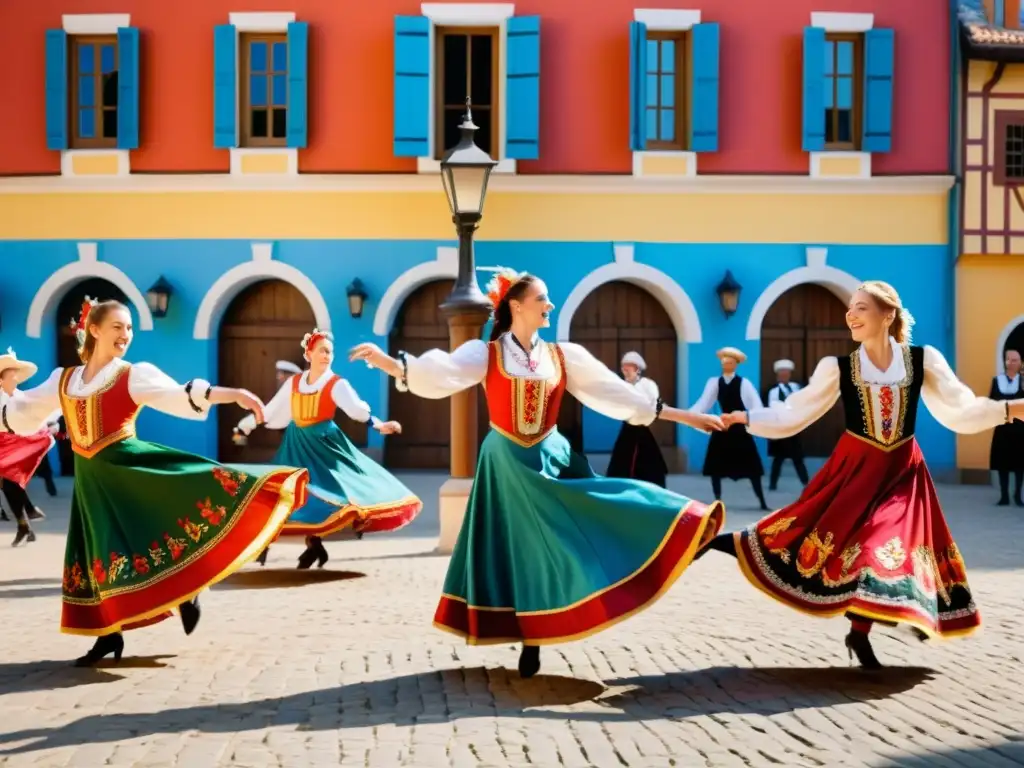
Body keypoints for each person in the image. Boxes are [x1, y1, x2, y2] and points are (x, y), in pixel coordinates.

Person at [350, 268, 726, 679]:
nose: (549, 305)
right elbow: (442, 373)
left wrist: (686, 417)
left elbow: (618, 396)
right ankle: (530, 635)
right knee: (522, 549)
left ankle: (680, 529)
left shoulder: (563, 356)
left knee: (587, 518)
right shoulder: (486, 353)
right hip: (505, 464)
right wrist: (388, 362)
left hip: (551, 458)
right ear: (515, 306)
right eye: (541, 299)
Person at [701, 281, 1024, 669]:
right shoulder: (838, 368)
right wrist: (748, 417)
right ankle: (713, 541)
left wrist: (1009, 410)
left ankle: (863, 631)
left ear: (888, 315)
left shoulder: (923, 360)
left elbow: (958, 408)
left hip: (903, 473)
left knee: (882, 548)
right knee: (802, 530)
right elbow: (794, 413)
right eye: (850, 309)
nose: (850, 315)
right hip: (854, 471)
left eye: (861, 308)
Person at [1, 298, 309, 667]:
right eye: (117, 327)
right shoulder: (62, 380)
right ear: (94, 330)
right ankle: (108, 634)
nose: (125, 335)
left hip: (131, 470)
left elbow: (180, 394)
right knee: (99, 553)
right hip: (91, 481)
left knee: (153, 534)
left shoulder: (133, 375)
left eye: (129, 328)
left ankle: (185, 592)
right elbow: (22, 411)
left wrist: (235, 394)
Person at [233, 328, 421, 569]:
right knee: (285, 491)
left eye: (329, 352)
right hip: (297, 443)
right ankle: (285, 544)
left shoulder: (336, 383)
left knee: (325, 494)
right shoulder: (294, 383)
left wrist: (379, 424)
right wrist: (245, 425)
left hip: (324, 445)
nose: (326, 356)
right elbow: (271, 411)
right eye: (322, 351)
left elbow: (356, 410)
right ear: (308, 353)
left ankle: (313, 545)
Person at [691, 348, 769, 510]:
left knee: (752, 469)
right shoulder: (714, 382)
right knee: (716, 468)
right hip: (722, 428)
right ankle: (717, 500)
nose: (727, 365)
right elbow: (704, 402)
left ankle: (762, 501)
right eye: (725, 362)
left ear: (736, 365)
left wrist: (747, 417)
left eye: (731, 362)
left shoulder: (744, 383)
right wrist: (690, 416)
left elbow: (756, 406)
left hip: (739, 429)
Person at [0, 348, 55, 546]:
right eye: (11, 374)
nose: (16, 377)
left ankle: (27, 518)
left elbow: (41, 413)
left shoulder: (22, 397)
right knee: (8, 483)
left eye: (16, 373)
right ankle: (25, 522)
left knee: (9, 481)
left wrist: (50, 425)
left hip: (25, 442)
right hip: (5, 443)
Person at [606, 351, 668, 487]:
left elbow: (652, 402)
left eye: (628, 368)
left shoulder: (647, 384)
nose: (625, 371)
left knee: (648, 463)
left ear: (637, 369)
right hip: (627, 428)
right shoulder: (622, 386)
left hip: (641, 429)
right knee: (621, 463)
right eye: (623, 368)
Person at [766, 359, 810, 491]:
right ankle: (773, 484)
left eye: (787, 373)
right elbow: (773, 408)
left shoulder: (796, 388)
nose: (785, 375)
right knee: (778, 459)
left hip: (794, 428)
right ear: (778, 375)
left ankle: (806, 483)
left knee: (798, 458)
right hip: (781, 428)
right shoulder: (773, 391)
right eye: (782, 373)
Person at [988, 348, 1024, 506]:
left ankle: (1017, 496)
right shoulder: (997, 381)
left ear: (1020, 363)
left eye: (1015, 360)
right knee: (1002, 462)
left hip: (1019, 429)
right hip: (1002, 427)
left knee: (1019, 464)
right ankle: (1004, 496)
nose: (1011, 363)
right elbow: (991, 402)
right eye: (1009, 359)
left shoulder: (1023, 381)